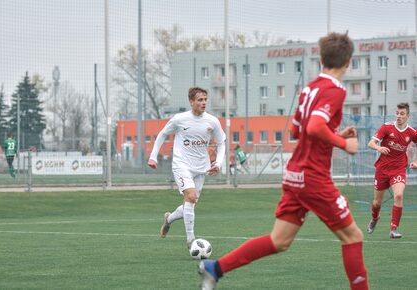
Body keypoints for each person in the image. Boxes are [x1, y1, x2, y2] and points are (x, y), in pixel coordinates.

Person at [198, 32, 368, 290]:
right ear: (348, 62)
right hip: (313, 178)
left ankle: (215, 268)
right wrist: (344, 143)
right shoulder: (335, 91)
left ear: (321, 59)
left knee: (280, 240)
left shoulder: (310, 88)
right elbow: (313, 127)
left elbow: (296, 132)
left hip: (294, 175)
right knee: (352, 236)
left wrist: (334, 134)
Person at [148, 87, 226, 248]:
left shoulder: (212, 121)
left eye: (205, 99)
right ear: (191, 102)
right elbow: (162, 134)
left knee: (190, 204)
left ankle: (168, 219)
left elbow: (221, 143)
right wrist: (153, 156)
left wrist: (218, 163)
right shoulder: (179, 119)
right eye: (200, 100)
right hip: (181, 164)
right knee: (190, 197)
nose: (203, 102)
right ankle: (191, 241)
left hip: (201, 167)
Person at [367, 102, 417, 239]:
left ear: (408, 116)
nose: (399, 116)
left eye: (402, 114)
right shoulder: (387, 127)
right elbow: (371, 143)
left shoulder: (412, 132)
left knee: (399, 195)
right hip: (382, 169)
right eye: (397, 113)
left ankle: (394, 229)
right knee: (377, 202)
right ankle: (375, 218)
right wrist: (378, 148)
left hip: (399, 169)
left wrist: (415, 161)